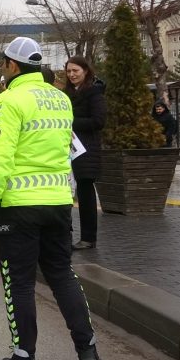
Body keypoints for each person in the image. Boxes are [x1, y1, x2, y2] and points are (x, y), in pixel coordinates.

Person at [0, 37, 102, 360]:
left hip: (18, 209)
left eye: (3, 63)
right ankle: (88, 353)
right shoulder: (61, 99)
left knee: (20, 284)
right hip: (58, 204)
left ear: (13, 66)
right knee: (62, 275)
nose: (2, 68)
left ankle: (23, 359)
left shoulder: (7, 102)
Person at [64, 57, 106, 251]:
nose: (72, 74)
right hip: (68, 147)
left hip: (86, 149)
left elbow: (98, 121)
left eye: (76, 70)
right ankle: (69, 233)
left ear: (85, 71)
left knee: (85, 192)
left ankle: (88, 238)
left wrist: (71, 123)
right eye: (69, 71)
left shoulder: (94, 92)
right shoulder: (67, 93)